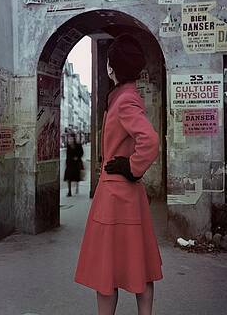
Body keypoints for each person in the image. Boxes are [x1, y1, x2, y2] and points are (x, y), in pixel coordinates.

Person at [75, 34, 163, 315]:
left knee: (106, 271)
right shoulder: (127, 96)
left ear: (112, 68)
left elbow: (149, 141)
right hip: (129, 195)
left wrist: (131, 165)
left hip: (115, 195)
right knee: (141, 266)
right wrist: (132, 168)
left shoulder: (123, 100)